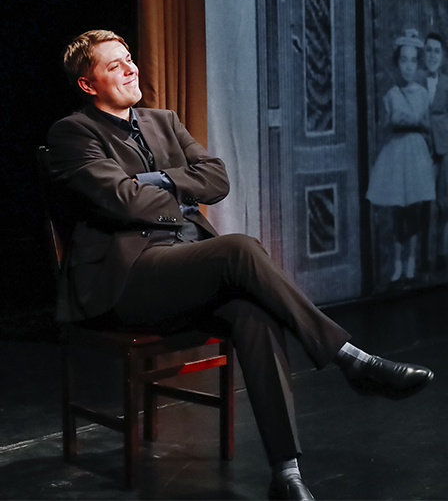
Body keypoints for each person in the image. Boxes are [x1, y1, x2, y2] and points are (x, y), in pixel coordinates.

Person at [48, 30, 434, 501]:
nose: (131, 68)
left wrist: (156, 180)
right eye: (115, 65)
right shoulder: (73, 133)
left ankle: (286, 474)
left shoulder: (164, 121)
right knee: (239, 249)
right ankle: (351, 358)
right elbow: (124, 200)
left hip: (184, 268)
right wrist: (177, 189)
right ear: (88, 84)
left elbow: (217, 178)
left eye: (129, 59)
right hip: (127, 281)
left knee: (253, 314)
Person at [366, 29, 435, 282]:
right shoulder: (391, 95)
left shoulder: (423, 94)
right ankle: (397, 264)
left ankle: (411, 262)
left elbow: (428, 127)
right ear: (397, 63)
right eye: (404, 60)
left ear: (418, 64)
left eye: (413, 61)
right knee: (398, 210)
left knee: (414, 210)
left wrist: (415, 121)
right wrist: (394, 120)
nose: (408, 66)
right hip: (396, 152)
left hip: (415, 152)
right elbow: (383, 127)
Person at [417, 32, 448, 271]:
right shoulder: (415, 80)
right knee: (424, 203)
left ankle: (442, 253)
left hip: (445, 148)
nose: (433, 55)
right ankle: (424, 259)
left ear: (443, 56)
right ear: (423, 54)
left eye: (437, 51)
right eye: (429, 50)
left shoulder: (447, 82)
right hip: (421, 148)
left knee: (444, 203)